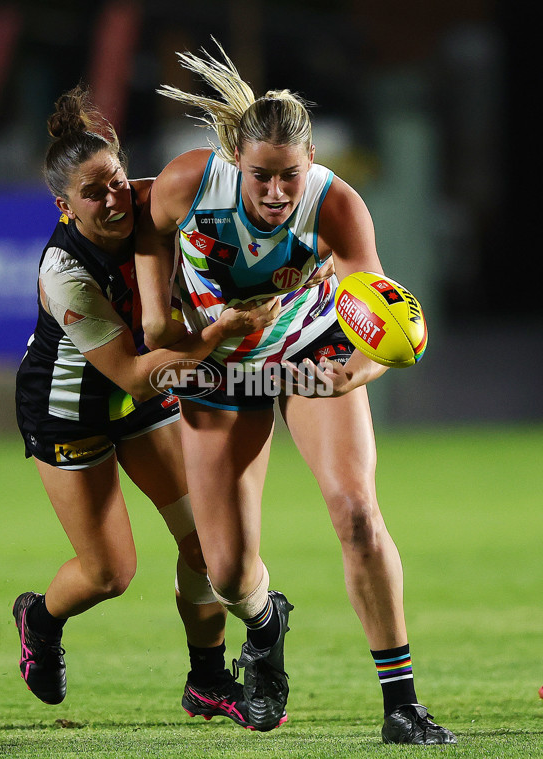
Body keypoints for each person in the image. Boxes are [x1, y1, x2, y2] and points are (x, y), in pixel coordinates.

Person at [134, 41, 457, 743]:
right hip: (220, 362)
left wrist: (355, 373)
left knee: (356, 511)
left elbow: (380, 319)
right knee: (223, 570)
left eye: (290, 176)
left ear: (310, 164)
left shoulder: (336, 204)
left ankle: (400, 703)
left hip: (310, 349)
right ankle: (265, 622)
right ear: (234, 163)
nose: (277, 194)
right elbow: (150, 230)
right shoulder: (190, 183)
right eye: (261, 178)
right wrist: (161, 317)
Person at [13, 84, 280, 728]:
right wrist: (222, 332)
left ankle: (207, 680)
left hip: (149, 395)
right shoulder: (63, 272)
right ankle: (40, 619)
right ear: (63, 206)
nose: (112, 201)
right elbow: (133, 376)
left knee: (203, 542)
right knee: (111, 573)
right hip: (72, 409)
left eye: (114, 180)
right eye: (91, 193)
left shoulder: (150, 203)